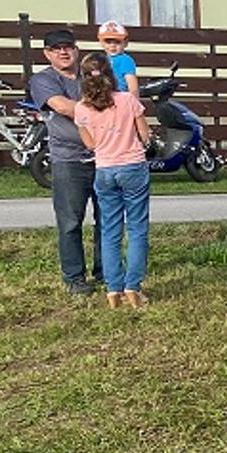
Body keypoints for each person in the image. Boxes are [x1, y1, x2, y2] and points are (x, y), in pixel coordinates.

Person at [29, 28, 104, 295]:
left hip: (104, 156)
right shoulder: (42, 80)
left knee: (107, 219)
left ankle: (106, 272)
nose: (63, 52)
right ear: (47, 53)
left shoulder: (91, 74)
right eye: (56, 48)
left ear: (76, 49)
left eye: (68, 46)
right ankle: (74, 278)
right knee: (70, 222)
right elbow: (63, 107)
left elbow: (116, 97)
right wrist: (103, 112)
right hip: (68, 160)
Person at [73, 55, 152, 309]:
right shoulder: (127, 100)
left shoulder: (81, 108)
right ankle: (133, 287)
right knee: (137, 227)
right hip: (132, 165)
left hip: (104, 169)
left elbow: (90, 144)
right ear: (111, 74)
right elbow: (144, 134)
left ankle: (113, 289)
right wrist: (144, 142)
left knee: (109, 230)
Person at [97, 21, 138, 97]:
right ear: (101, 43)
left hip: (120, 96)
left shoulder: (125, 60)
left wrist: (134, 101)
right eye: (108, 42)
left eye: (117, 42)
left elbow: (132, 86)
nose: (113, 45)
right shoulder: (102, 60)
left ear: (125, 43)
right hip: (104, 97)